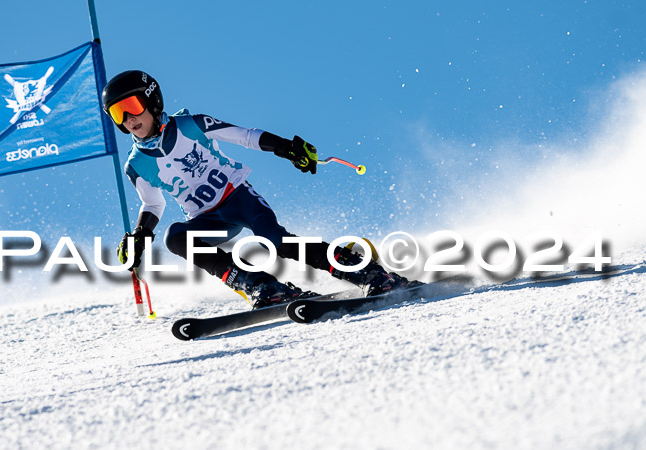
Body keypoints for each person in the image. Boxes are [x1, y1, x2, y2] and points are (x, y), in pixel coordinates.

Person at [102, 70, 418, 309]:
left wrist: (287, 148)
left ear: (152, 100)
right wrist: (141, 234)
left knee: (275, 241)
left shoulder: (190, 125)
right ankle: (262, 286)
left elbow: (245, 136)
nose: (128, 118)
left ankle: (370, 274)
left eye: (132, 105)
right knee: (175, 236)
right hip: (208, 219)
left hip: (238, 197)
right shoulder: (136, 165)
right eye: (118, 113)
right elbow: (153, 205)